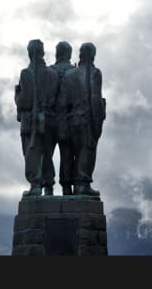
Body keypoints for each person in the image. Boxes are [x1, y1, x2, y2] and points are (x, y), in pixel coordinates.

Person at [14, 39, 60, 197]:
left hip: (31, 121)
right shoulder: (53, 74)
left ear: (29, 53)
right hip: (50, 120)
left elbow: (25, 101)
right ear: (42, 53)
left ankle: (35, 185)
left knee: (32, 154)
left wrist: (17, 96)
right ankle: (49, 186)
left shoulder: (26, 73)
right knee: (47, 154)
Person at [64, 42, 106, 196]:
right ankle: (82, 185)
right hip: (87, 119)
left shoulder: (69, 74)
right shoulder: (95, 73)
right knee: (86, 152)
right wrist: (98, 122)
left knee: (72, 155)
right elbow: (95, 98)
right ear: (93, 55)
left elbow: (64, 101)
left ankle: (70, 186)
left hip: (70, 120)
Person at [49, 41, 76, 195]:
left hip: (49, 120)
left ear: (57, 53)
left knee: (47, 155)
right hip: (69, 120)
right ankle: (67, 187)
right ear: (70, 54)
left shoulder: (49, 71)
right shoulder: (75, 72)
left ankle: (47, 187)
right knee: (67, 155)